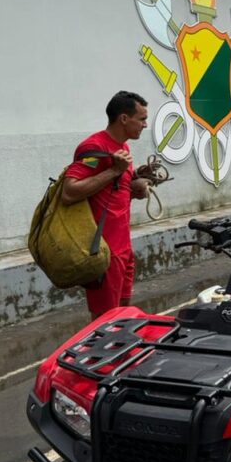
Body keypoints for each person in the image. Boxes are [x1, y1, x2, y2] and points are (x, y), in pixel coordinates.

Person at [63, 91, 150, 318]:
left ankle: (123, 354)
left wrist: (135, 184)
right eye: (141, 119)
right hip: (103, 252)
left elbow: (113, 191)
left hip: (123, 249)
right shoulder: (93, 149)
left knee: (123, 314)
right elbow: (69, 192)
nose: (145, 125)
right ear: (124, 118)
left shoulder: (124, 148)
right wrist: (114, 171)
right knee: (104, 321)